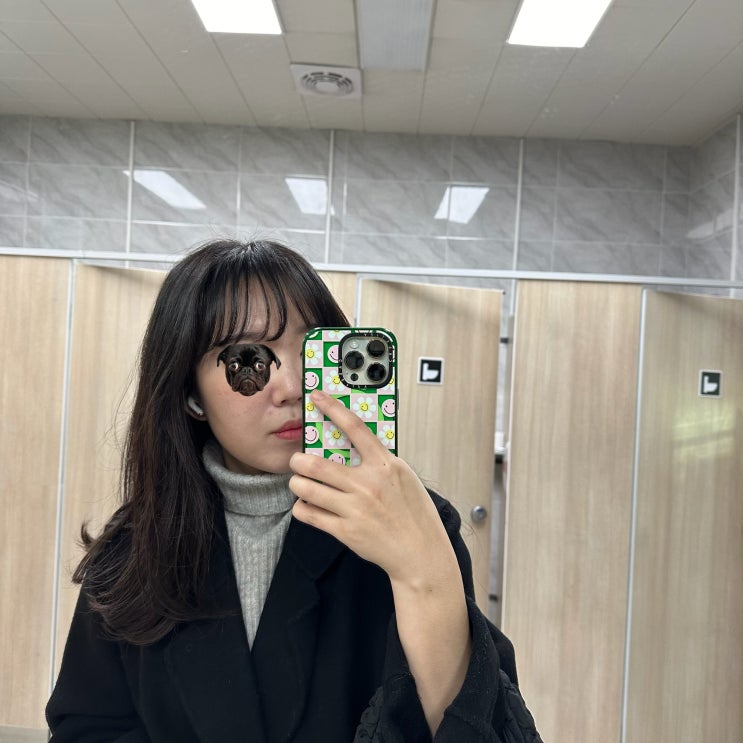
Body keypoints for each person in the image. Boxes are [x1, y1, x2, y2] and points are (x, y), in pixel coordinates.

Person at [46, 239, 541, 742]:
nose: (294, 387)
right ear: (191, 394)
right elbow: (87, 727)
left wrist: (424, 575)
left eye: (312, 351)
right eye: (248, 358)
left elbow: (475, 726)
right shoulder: (134, 546)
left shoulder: (417, 524)